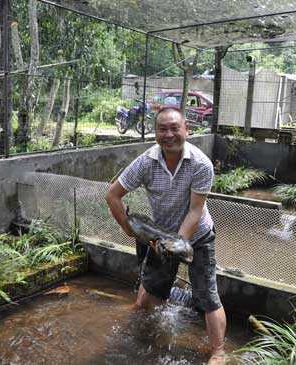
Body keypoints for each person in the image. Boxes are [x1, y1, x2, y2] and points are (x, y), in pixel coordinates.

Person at [105, 107, 226, 365]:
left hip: (199, 236)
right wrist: (129, 229)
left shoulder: (201, 164)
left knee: (207, 295)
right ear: (155, 132)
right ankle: (150, 331)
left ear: (186, 130)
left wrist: (178, 244)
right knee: (151, 291)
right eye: (163, 129)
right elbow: (112, 195)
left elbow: (196, 210)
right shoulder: (146, 162)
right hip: (160, 235)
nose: (169, 134)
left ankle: (218, 351)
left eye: (174, 128)